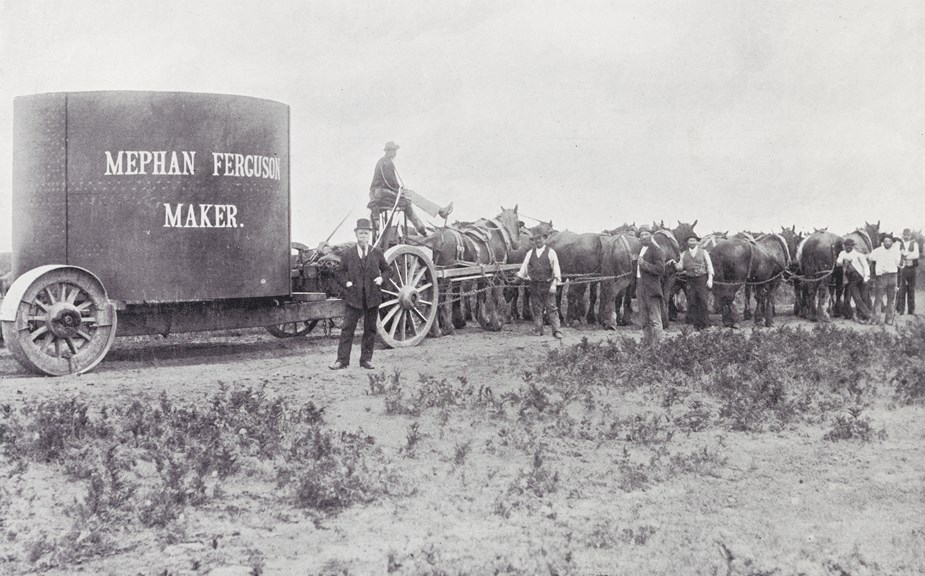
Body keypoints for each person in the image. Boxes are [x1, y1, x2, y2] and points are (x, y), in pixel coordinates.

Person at [329, 219, 391, 370]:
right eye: (361, 233)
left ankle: (366, 360)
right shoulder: (348, 254)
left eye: (366, 233)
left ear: (369, 235)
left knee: (370, 330)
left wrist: (382, 278)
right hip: (354, 298)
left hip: (372, 297)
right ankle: (342, 361)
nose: (363, 236)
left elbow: (388, 270)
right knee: (347, 329)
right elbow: (339, 272)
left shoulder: (377, 253)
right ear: (356, 234)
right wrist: (347, 283)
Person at [368, 141, 453, 235]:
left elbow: (390, 182)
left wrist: (399, 188)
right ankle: (434, 217)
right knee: (410, 197)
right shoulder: (386, 162)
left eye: (395, 151)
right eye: (393, 151)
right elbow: (390, 182)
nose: (395, 153)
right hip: (382, 193)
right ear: (388, 151)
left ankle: (431, 219)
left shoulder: (384, 161)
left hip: (382, 192)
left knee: (409, 197)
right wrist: (399, 189)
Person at [515, 230, 563, 338]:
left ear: (544, 239)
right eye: (535, 239)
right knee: (536, 308)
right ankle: (538, 329)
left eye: (539, 238)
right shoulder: (530, 253)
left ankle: (556, 330)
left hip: (547, 284)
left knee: (552, 308)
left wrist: (554, 284)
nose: (537, 241)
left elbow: (556, 269)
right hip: (534, 285)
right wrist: (519, 277)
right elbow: (524, 268)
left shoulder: (551, 252)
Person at [672, 232, 713, 330]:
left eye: (694, 240)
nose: (692, 242)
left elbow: (709, 265)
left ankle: (706, 324)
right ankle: (697, 325)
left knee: (703, 300)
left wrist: (710, 279)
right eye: (690, 241)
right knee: (692, 301)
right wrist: (674, 264)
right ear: (687, 243)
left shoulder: (703, 252)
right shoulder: (684, 254)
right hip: (690, 279)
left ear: (697, 242)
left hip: (702, 278)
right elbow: (680, 267)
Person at [635, 225, 666, 344]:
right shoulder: (639, 250)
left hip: (652, 288)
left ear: (651, 235)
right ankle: (647, 343)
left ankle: (658, 345)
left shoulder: (656, 250)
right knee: (644, 319)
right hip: (640, 286)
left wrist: (644, 264)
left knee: (655, 319)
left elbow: (660, 269)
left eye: (646, 234)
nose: (644, 237)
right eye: (642, 235)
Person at [867, 234, 902, 326]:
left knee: (891, 299)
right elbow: (870, 257)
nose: (887, 243)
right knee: (878, 298)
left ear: (892, 242)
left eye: (889, 241)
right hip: (881, 277)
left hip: (892, 276)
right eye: (885, 241)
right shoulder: (877, 251)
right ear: (883, 242)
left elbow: (899, 263)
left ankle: (889, 319)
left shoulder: (896, 251)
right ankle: (876, 319)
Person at [835, 238, 871, 324]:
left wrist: (866, 277)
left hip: (861, 277)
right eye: (847, 246)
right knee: (856, 298)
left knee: (863, 297)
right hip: (851, 278)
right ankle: (869, 315)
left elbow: (866, 266)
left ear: (853, 246)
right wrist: (844, 260)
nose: (848, 247)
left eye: (850, 246)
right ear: (844, 246)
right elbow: (838, 262)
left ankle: (862, 316)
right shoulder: (842, 253)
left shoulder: (859, 255)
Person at [896, 228, 919, 315]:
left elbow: (915, 255)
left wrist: (905, 255)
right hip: (903, 269)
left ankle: (911, 311)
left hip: (912, 269)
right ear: (903, 235)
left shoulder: (914, 244)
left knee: (911, 290)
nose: (906, 237)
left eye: (908, 235)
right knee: (901, 290)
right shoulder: (899, 244)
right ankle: (900, 310)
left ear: (910, 236)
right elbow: (898, 256)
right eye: (905, 235)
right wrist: (907, 255)